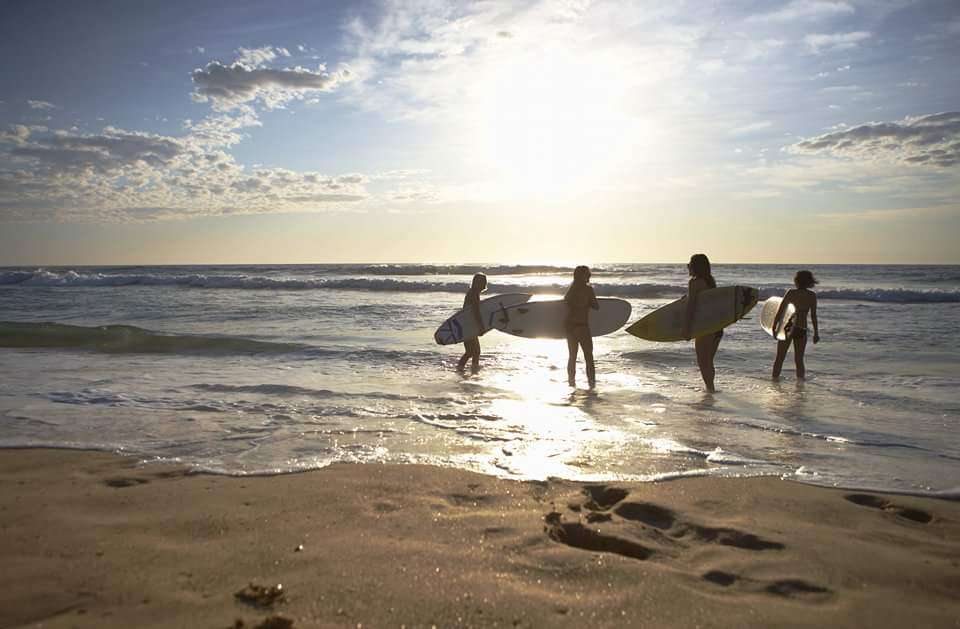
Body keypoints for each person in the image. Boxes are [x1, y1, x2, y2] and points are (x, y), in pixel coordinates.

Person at [682, 254, 721, 393]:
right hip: (717, 326)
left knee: (703, 363)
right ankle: (711, 391)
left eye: (690, 263)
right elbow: (706, 302)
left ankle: (710, 392)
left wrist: (687, 329)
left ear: (695, 266)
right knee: (709, 362)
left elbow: (691, 307)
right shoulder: (710, 281)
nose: (688, 266)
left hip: (705, 328)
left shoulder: (694, 282)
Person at [772, 270, 820, 380]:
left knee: (780, 358)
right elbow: (813, 316)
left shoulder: (791, 293)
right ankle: (800, 386)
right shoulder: (812, 295)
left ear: (797, 281)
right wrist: (816, 333)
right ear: (809, 281)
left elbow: (781, 311)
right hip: (801, 329)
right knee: (799, 359)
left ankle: (774, 383)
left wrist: (774, 325)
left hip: (788, 328)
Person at [564, 265, 600, 388]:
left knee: (572, 356)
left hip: (569, 326)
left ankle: (571, 383)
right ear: (583, 275)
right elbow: (596, 306)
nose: (589, 275)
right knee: (588, 356)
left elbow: (567, 303)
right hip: (582, 326)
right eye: (588, 274)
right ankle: (592, 384)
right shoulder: (588, 290)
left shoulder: (571, 290)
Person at [457, 273, 487, 372]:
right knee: (474, 351)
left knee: (471, 351)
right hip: (468, 326)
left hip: (467, 325)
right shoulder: (474, 294)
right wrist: (481, 326)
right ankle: (471, 369)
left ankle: (463, 368)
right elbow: (475, 312)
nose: (484, 284)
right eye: (482, 282)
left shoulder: (472, 293)